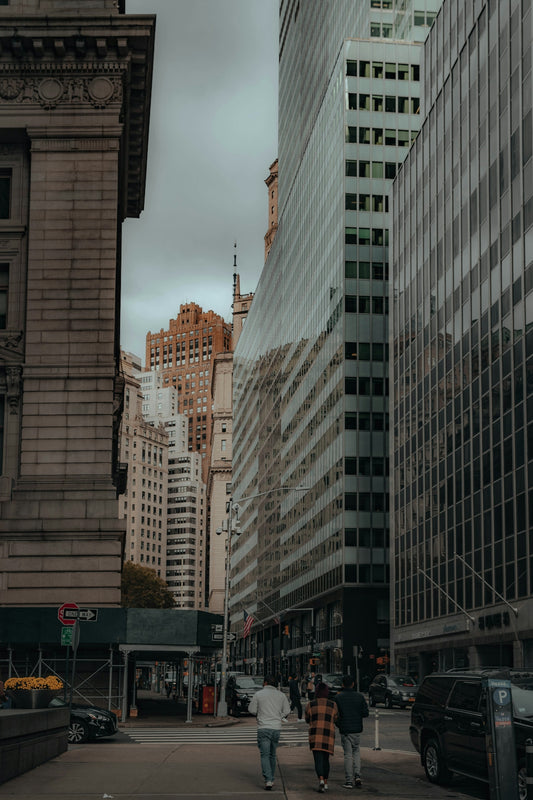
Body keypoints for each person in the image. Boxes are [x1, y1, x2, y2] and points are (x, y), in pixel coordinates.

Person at [248, 674, 291, 791]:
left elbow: (251, 710)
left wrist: (259, 714)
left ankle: (268, 780)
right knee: (272, 754)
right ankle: (271, 778)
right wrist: (279, 716)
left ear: (265, 683)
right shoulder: (281, 695)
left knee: (265, 754)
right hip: (276, 728)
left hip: (263, 727)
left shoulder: (258, 694)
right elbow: (287, 710)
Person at [334, 674, 369, 788]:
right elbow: (365, 713)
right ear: (353, 684)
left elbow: (335, 715)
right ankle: (358, 775)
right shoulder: (360, 696)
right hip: (357, 729)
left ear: (343, 684)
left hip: (345, 729)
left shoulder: (338, 697)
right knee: (356, 752)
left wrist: (339, 724)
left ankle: (349, 780)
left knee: (348, 755)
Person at [305, 681, 338, 793]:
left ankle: (321, 780)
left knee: (318, 759)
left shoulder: (311, 704)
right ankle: (326, 782)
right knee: (326, 759)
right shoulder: (333, 704)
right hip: (328, 735)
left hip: (315, 734)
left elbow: (307, 719)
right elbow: (336, 718)